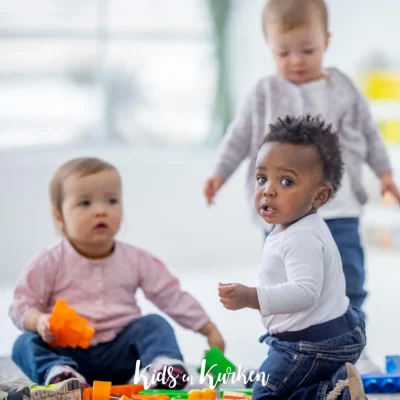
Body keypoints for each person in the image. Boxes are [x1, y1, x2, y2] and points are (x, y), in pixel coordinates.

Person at [204, 0, 400, 373]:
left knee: (349, 283)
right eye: (283, 52)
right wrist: (220, 173)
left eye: (307, 50)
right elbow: (239, 136)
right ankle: (288, 352)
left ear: (326, 41)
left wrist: (385, 173)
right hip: (281, 216)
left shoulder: (342, 88)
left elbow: (370, 134)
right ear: (269, 45)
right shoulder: (263, 92)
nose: (296, 60)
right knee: (285, 286)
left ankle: (350, 353)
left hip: (338, 210)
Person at [9, 157, 225, 388]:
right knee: (24, 343)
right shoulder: (49, 261)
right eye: (85, 203)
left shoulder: (135, 259)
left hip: (121, 354)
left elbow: (171, 295)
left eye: (112, 201)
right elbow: (21, 305)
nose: (101, 211)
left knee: (154, 323)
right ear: (59, 217)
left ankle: (165, 369)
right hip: (69, 354)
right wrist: (39, 320)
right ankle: (61, 376)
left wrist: (207, 327)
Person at [218, 115, 366, 399]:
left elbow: (305, 292)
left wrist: (252, 297)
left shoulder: (302, 236)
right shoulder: (295, 226)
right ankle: (334, 382)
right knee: (287, 384)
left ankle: (334, 394)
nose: (268, 190)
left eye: (286, 181)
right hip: (331, 333)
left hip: (312, 344)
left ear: (319, 196)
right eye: (262, 178)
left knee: (265, 394)